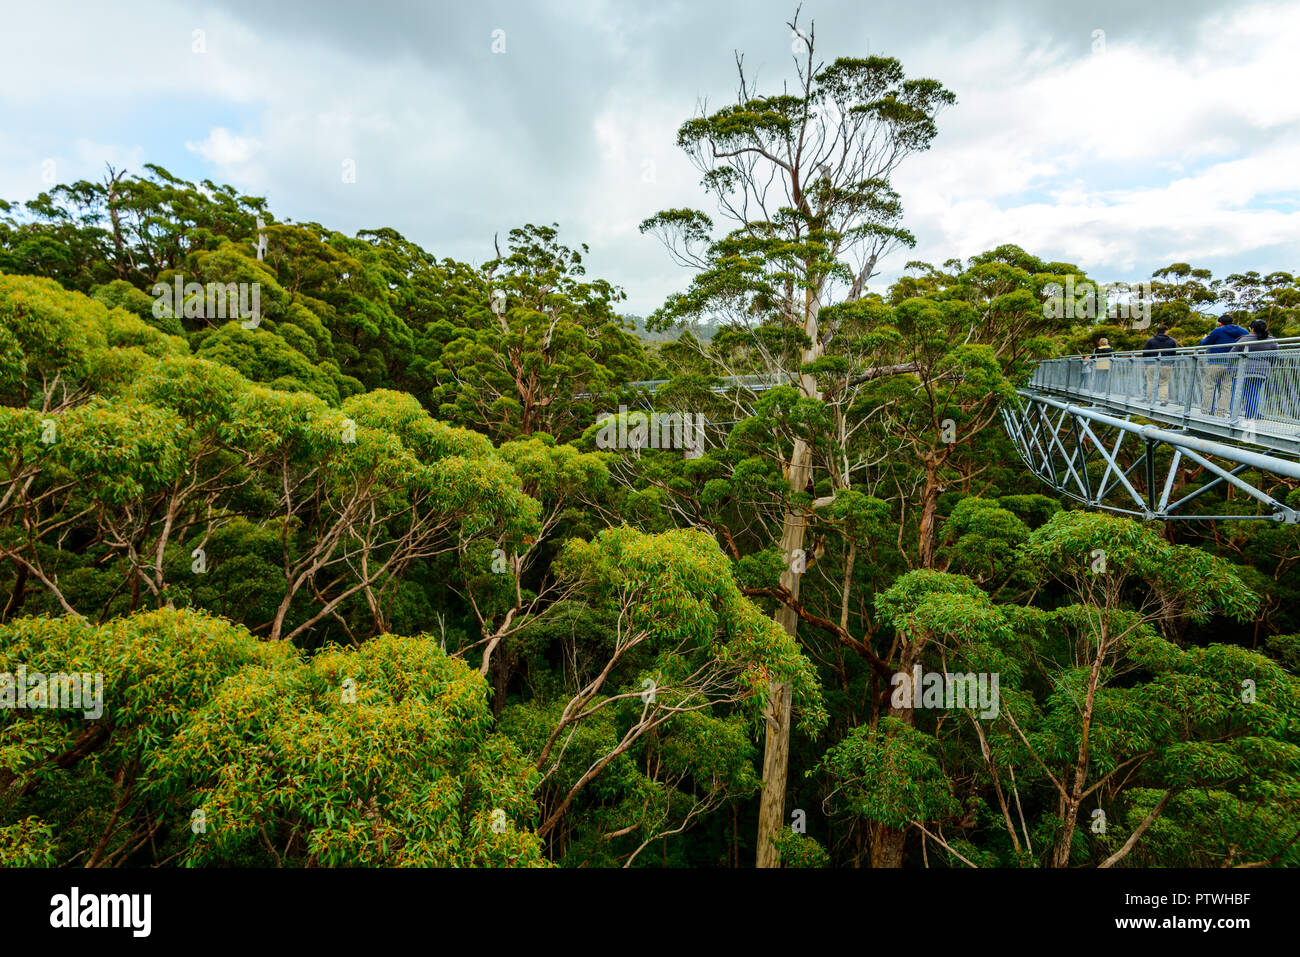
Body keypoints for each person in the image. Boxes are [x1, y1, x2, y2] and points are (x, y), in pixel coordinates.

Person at [1229, 318, 1278, 422]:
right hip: (1262, 371)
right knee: (1254, 394)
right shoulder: (1272, 340)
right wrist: (1270, 368)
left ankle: (1233, 417)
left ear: (1252, 329)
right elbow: (1274, 357)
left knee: (1238, 393)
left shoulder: (1244, 339)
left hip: (1243, 369)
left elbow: (1231, 354)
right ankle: (1249, 418)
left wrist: (1231, 370)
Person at [1199, 315, 1248, 415]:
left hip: (1215, 362)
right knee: (1226, 388)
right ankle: (1221, 412)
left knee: (1209, 386)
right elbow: (1247, 337)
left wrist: (1203, 338)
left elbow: (1205, 343)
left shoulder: (1218, 330)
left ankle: (1206, 410)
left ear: (1220, 323)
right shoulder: (1241, 331)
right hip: (1232, 363)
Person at [1142, 325, 1178, 403]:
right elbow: (1174, 354)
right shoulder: (1172, 341)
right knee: (1164, 383)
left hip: (1152, 364)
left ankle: (1149, 400)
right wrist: (1170, 362)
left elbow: (1145, 353)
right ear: (1166, 331)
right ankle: (1163, 401)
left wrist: (1147, 363)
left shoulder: (1150, 341)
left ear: (1157, 332)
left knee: (1150, 382)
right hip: (1166, 364)